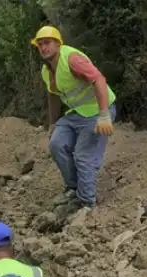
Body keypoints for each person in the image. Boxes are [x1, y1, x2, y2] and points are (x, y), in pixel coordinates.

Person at [32, 25, 117, 211]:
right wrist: (53, 123)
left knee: (84, 156)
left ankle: (86, 204)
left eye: (47, 43)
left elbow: (99, 80)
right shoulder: (47, 71)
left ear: (58, 43)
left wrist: (104, 115)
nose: (43, 48)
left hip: (97, 111)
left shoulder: (72, 59)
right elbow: (52, 94)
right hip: (77, 113)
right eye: (40, 45)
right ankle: (73, 188)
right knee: (56, 144)